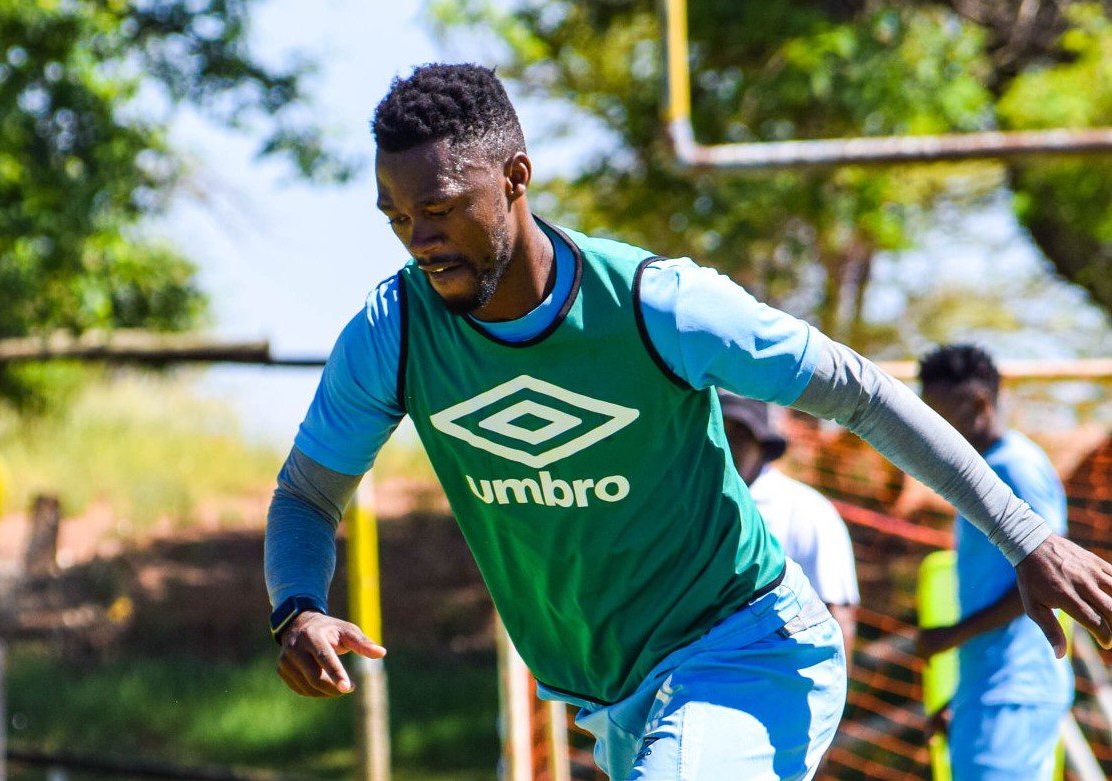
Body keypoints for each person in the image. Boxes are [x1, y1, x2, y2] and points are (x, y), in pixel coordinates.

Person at [262, 64, 1112, 780]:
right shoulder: (394, 333)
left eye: (440, 208)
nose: (419, 239)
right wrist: (296, 606)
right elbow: (307, 490)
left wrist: (1024, 537)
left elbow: (857, 388)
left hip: (747, 648)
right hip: (612, 697)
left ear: (515, 178)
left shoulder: (654, 306)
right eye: (397, 219)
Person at [914, 345, 1075, 780]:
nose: (931, 429)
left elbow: (1050, 578)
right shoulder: (984, 469)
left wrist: (950, 636)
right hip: (989, 691)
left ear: (979, 404)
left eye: (939, 414)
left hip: (1013, 692)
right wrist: (962, 697)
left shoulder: (1015, 467)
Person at [720, 392, 860, 658]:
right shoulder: (695, 508)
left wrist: (834, 698)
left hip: (783, 685)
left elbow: (839, 617)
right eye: (719, 433)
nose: (726, 446)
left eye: (738, 434)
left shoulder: (807, 511)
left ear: (762, 444)